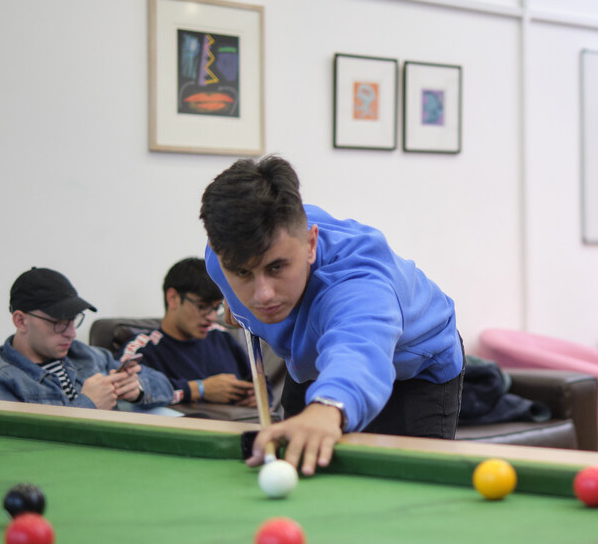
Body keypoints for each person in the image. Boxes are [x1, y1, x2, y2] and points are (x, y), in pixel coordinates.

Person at [199, 155, 465, 475]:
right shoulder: (219, 258)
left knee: (409, 495)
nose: (263, 295)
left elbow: (360, 350)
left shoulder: (357, 281)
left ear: (310, 244)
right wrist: (234, 297)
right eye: (242, 272)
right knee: (300, 461)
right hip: (316, 360)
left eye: (277, 267)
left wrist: (329, 408)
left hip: (416, 370)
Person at [0, 267, 175, 411]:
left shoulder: (85, 355)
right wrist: (87, 405)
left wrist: (136, 389)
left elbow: (165, 386)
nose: (71, 333)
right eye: (58, 322)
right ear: (20, 321)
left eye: (73, 320)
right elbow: (19, 449)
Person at [119, 257, 259, 409]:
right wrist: (200, 389)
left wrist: (255, 397)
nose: (212, 317)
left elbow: (260, 383)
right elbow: (128, 389)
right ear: (172, 298)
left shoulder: (221, 336)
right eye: (202, 306)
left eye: (216, 307)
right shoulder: (144, 348)